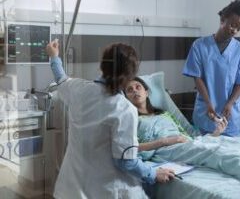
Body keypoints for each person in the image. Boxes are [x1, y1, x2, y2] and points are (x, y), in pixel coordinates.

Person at [45, 40, 175, 199]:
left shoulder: (79, 89)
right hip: (106, 191)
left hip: (71, 189)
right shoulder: (124, 109)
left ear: (102, 66)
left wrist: (54, 56)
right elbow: (125, 162)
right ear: (130, 76)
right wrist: (153, 174)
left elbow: (61, 79)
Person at [124, 77, 240, 191]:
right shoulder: (131, 121)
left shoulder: (164, 114)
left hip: (187, 142)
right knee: (222, 154)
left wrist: (215, 134)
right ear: (126, 99)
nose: (135, 91)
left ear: (146, 92)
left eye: (138, 87)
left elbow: (193, 138)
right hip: (168, 150)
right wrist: (165, 141)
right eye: (129, 90)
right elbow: (133, 148)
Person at [182, 0, 240, 137]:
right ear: (222, 19)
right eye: (232, 25)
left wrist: (229, 104)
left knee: (230, 154)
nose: (234, 30)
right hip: (206, 111)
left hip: (231, 115)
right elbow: (197, 78)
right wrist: (209, 103)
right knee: (203, 153)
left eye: (239, 28)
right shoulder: (199, 46)